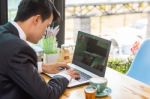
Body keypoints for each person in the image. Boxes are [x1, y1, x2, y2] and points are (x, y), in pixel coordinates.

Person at [0, 0, 79, 99]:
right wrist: (65, 76)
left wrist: (42, 67)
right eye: (47, 26)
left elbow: (8, 63)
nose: (46, 32)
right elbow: (47, 95)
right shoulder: (18, 49)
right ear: (36, 20)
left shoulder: (3, 32)